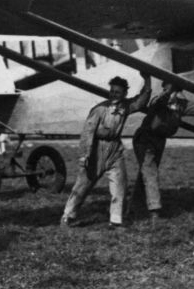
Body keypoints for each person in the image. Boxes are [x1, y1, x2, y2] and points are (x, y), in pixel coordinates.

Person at [61, 74, 151, 228]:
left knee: (119, 185)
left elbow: (141, 101)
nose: (114, 94)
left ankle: (115, 220)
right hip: (97, 149)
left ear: (124, 94)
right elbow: (87, 133)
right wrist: (85, 156)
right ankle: (67, 216)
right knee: (83, 185)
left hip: (115, 150)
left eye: (117, 92)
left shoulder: (125, 107)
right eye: (112, 91)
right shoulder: (99, 109)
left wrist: (147, 79)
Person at [130, 81, 194, 223]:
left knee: (146, 173)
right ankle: (154, 211)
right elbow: (161, 102)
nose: (170, 91)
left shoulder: (180, 104)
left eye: (174, 89)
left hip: (159, 140)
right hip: (145, 139)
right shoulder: (158, 100)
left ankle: (134, 206)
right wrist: (169, 93)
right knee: (150, 172)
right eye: (167, 88)